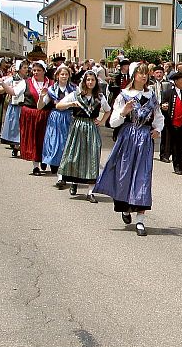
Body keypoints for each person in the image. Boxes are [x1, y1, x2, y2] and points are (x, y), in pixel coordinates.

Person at [92, 63, 164, 236]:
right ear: (133, 75)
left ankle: (140, 219)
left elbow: (159, 116)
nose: (144, 76)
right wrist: (124, 111)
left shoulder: (151, 95)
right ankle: (125, 207)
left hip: (145, 138)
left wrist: (157, 129)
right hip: (128, 137)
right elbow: (114, 122)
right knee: (124, 174)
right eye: (140, 73)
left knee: (143, 176)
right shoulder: (124, 96)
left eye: (146, 73)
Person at [56, 70, 111, 202]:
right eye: (88, 80)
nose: (90, 82)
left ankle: (90, 192)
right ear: (84, 82)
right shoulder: (76, 95)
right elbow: (59, 105)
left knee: (92, 157)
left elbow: (108, 110)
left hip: (91, 127)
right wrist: (71, 104)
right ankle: (74, 182)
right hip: (78, 127)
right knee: (75, 156)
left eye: (93, 80)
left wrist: (101, 121)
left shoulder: (100, 97)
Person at [0, 60, 54, 175]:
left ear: (44, 71)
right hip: (30, 114)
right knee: (33, 139)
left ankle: (45, 159)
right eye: (34, 70)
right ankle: (35, 166)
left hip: (46, 115)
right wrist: (3, 84)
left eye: (38, 70)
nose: (35, 72)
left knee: (46, 139)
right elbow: (14, 92)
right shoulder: (26, 82)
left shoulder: (51, 83)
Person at [40, 65, 77, 186]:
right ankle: (58, 172)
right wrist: (41, 97)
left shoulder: (74, 89)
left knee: (66, 145)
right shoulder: (51, 90)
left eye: (66, 74)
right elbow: (40, 106)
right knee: (55, 143)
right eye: (62, 74)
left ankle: (62, 174)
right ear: (57, 76)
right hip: (55, 118)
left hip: (69, 118)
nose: (64, 76)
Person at [0, 60, 29, 157]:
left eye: (27, 67)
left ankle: (21, 146)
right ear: (19, 69)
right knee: (14, 127)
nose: (27, 69)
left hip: (24, 105)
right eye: (24, 68)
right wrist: (8, 87)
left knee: (23, 127)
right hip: (15, 105)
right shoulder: (12, 78)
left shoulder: (29, 80)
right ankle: (15, 146)